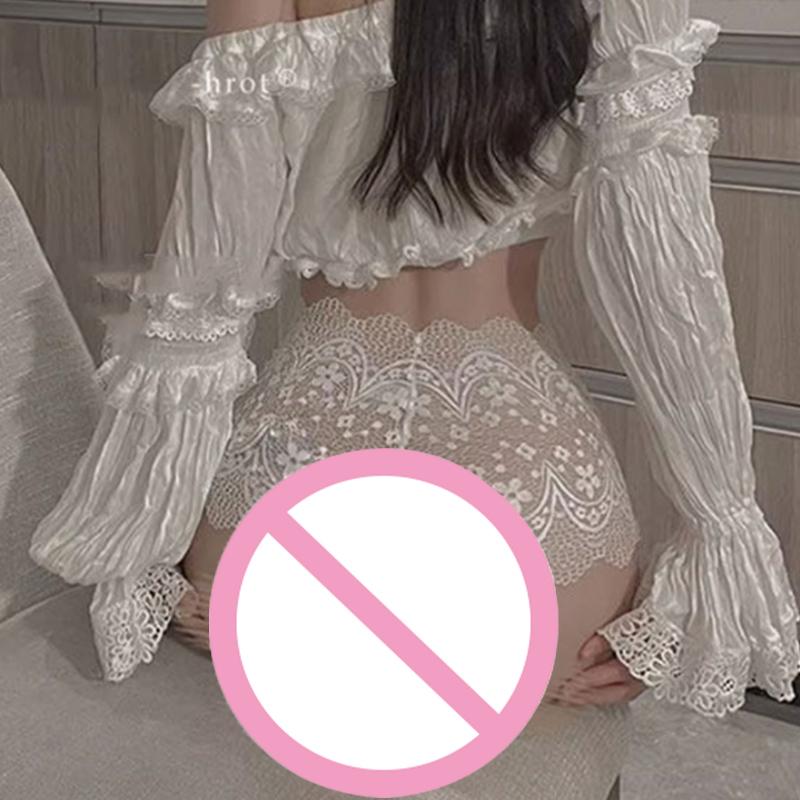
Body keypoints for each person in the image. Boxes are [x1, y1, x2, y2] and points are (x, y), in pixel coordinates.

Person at [29, 0, 800, 796]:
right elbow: (671, 294)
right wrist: (719, 532)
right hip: (533, 521)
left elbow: (203, 289)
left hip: (283, 527)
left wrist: (143, 542)